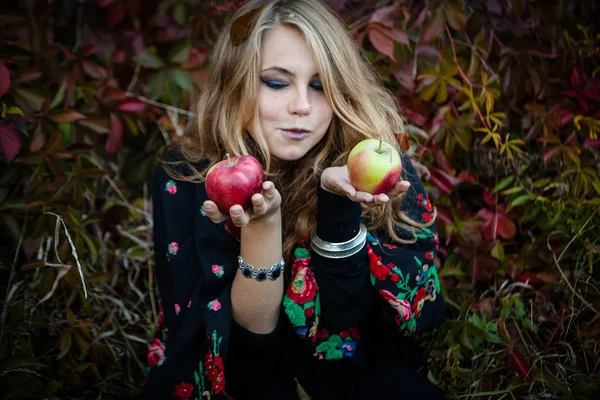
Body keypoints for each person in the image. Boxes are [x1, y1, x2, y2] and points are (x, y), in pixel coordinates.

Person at [141, 0, 446, 399]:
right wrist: (262, 229)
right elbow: (249, 343)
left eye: (319, 85)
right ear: (236, 82)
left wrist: (338, 210)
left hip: (354, 374)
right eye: (277, 81)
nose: (301, 105)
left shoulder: (370, 163)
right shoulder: (187, 177)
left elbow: (345, 318)